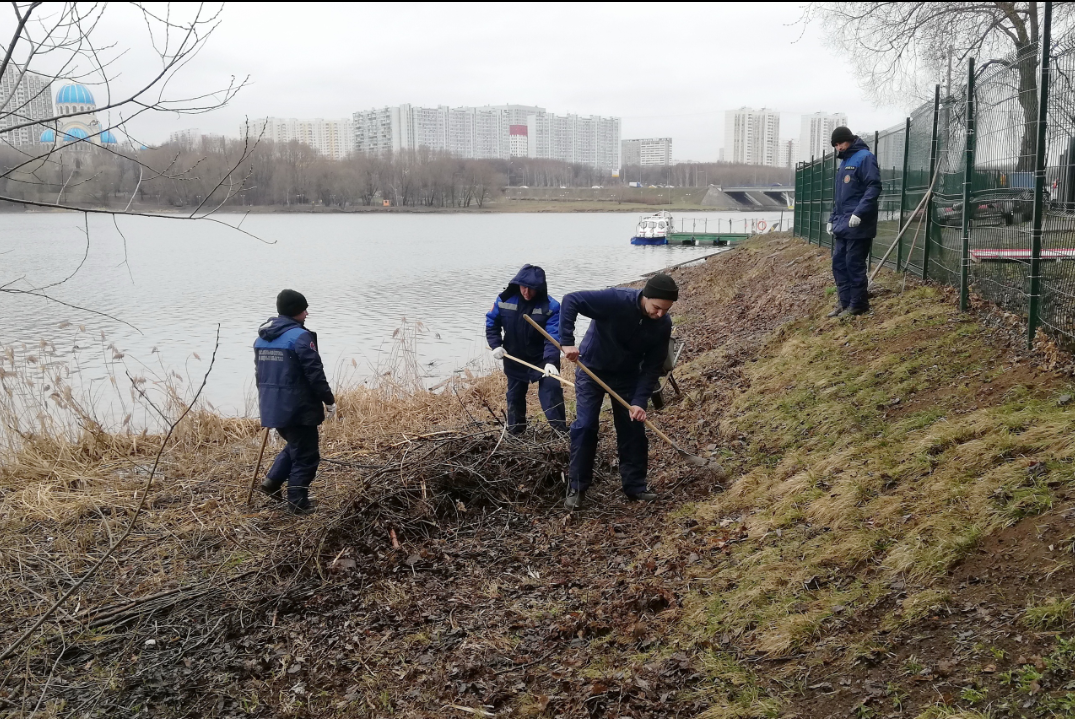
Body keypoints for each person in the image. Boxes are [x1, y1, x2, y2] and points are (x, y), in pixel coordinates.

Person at [558, 273, 677, 509]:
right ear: (646, 296)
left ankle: (635, 487)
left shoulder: (662, 324)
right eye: (657, 307)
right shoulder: (615, 300)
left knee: (632, 427)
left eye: (666, 309)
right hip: (592, 369)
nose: (660, 313)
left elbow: (653, 366)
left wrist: (640, 401)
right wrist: (567, 341)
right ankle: (577, 487)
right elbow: (571, 300)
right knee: (585, 426)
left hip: (627, 376)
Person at [254, 289, 336, 515]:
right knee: (307, 455)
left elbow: (260, 375)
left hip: (273, 405)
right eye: (303, 309)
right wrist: (329, 400)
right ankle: (298, 503)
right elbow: (315, 373)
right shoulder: (300, 338)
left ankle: (272, 482)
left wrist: (268, 401)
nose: (307, 313)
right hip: (298, 407)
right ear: (294, 311)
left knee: (297, 445)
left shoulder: (262, 338)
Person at [485, 264, 567, 434]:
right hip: (515, 357)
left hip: (542, 360)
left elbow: (552, 337)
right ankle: (516, 434)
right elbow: (492, 324)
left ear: (540, 288)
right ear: (517, 284)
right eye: (523, 287)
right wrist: (496, 345)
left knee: (551, 394)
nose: (526, 293)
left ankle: (560, 433)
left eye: (531, 289)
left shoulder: (551, 306)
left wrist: (551, 361)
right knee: (514, 398)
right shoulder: (504, 300)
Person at [827, 126, 882, 317]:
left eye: (840, 142)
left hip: (859, 223)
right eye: (835, 145)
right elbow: (841, 197)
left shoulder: (865, 157)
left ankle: (858, 304)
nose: (838, 147)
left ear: (849, 140)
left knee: (853, 263)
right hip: (842, 223)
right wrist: (832, 218)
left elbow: (873, 187)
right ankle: (845, 303)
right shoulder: (844, 162)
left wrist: (859, 213)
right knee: (839, 263)